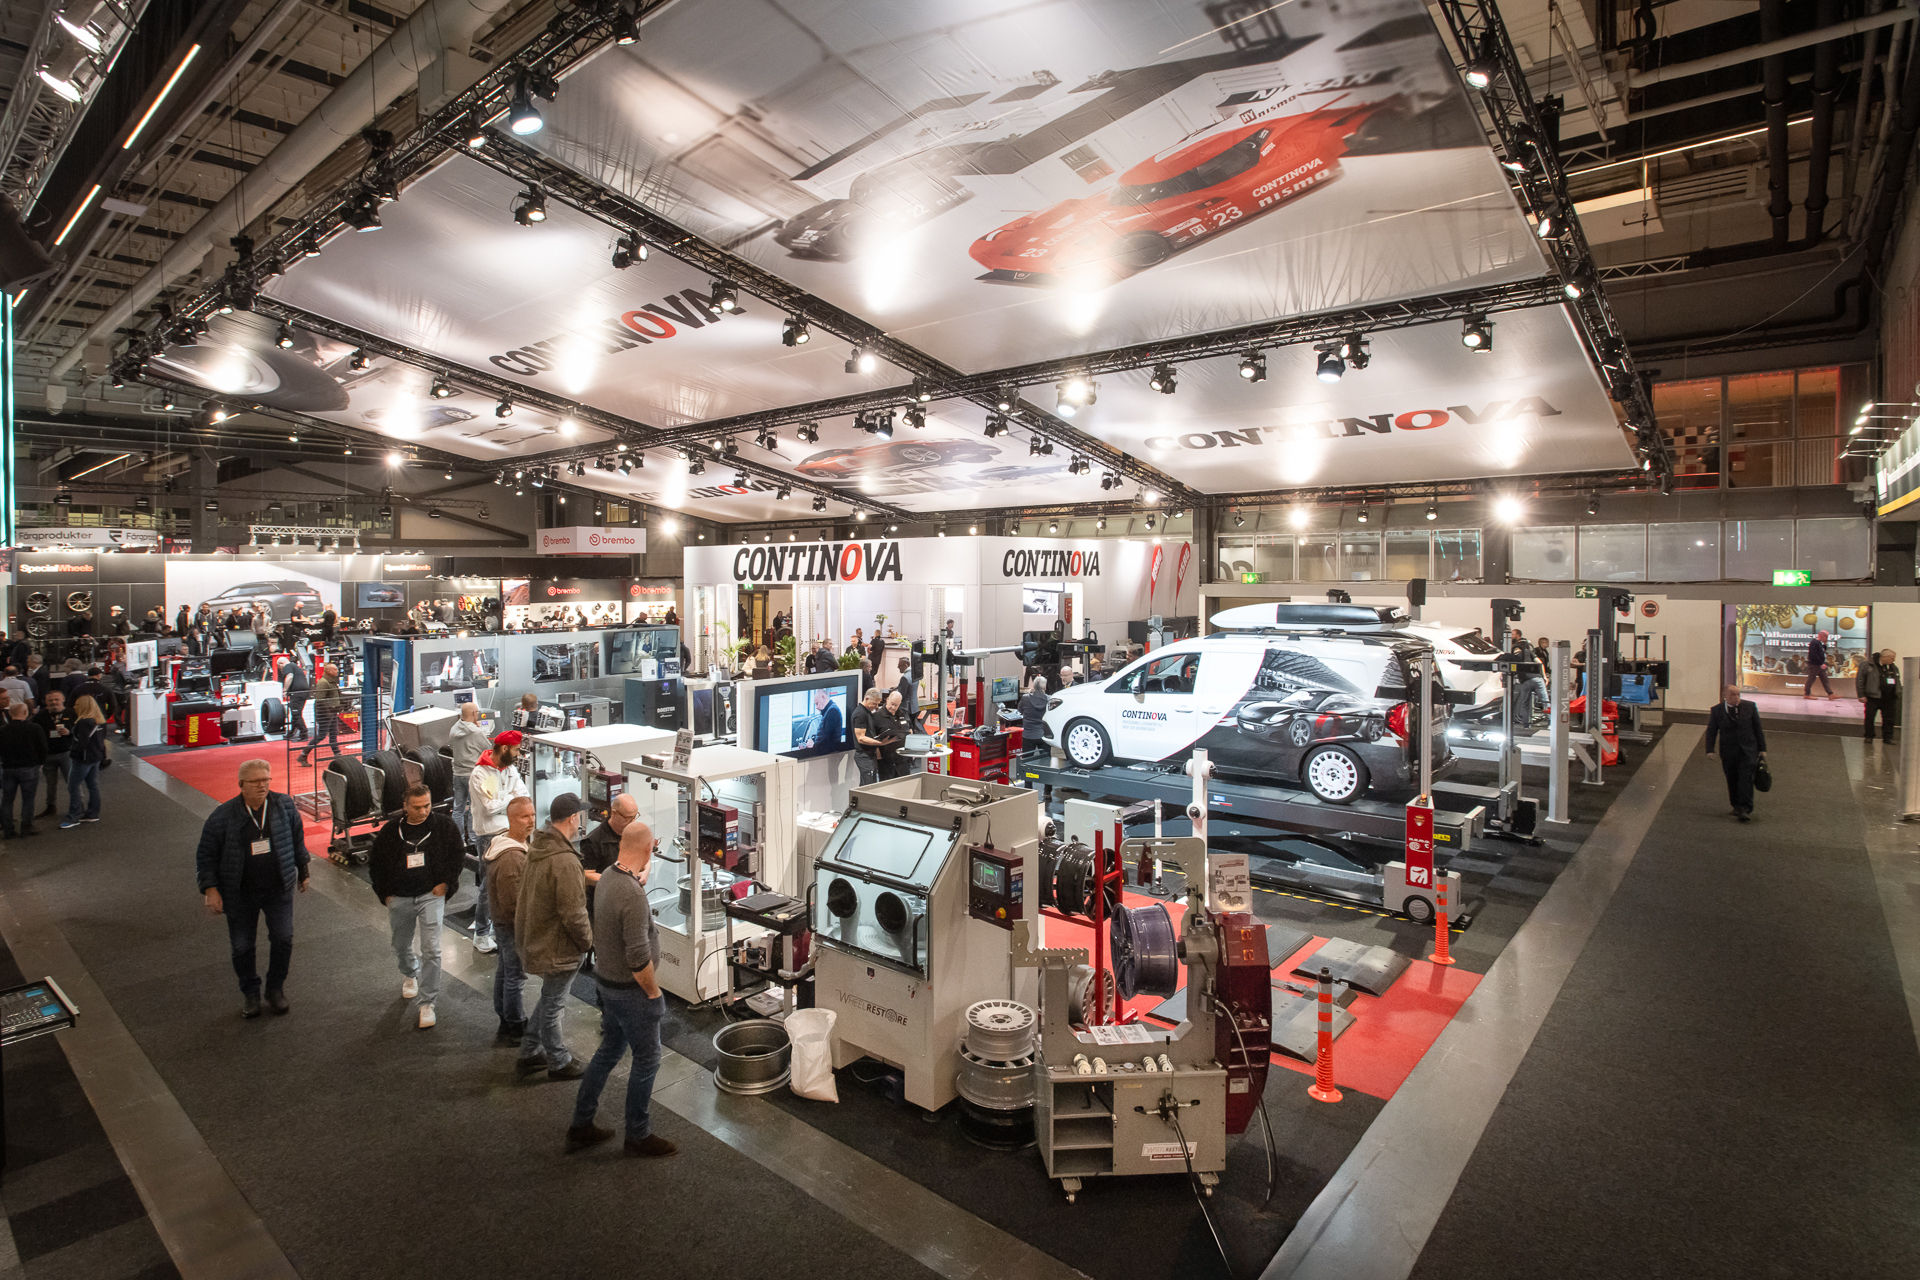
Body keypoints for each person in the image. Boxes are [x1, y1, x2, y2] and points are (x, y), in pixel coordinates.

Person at [566, 820, 678, 1159]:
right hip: (630, 993)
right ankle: (638, 1134)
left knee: (609, 1051)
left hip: (606, 984)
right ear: (648, 849)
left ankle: (581, 1123)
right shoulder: (631, 893)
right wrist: (654, 994)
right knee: (647, 1059)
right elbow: (638, 957)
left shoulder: (609, 880)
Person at [195, 759, 309, 1017]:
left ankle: (275, 989)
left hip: (278, 888)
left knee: (283, 939)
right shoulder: (222, 816)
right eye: (255, 781)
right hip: (239, 893)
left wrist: (303, 871)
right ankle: (251, 994)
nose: (262, 785)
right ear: (241, 785)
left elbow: (297, 839)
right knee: (242, 946)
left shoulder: (284, 805)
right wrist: (210, 889)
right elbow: (206, 855)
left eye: (266, 780)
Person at [368, 783, 465, 1029]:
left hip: (430, 895)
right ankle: (410, 972)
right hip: (399, 897)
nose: (423, 812)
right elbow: (376, 863)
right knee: (400, 944)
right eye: (417, 807)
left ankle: (427, 1002)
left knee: (432, 949)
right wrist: (385, 894)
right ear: (405, 806)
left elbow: (457, 856)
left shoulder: (444, 827)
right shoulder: (391, 831)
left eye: (427, 806)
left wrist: (447, 884)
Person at [515, 793, 594, 1081]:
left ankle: (528, 1053)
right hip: (559, 945)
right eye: (579, 815)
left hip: (539, 937)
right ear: (573, 818)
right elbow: (573, 911)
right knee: (553, 1005)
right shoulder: (564, 860)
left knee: (550, 998)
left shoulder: (540, 847)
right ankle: (559, 1061)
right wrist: (588, 942)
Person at [467, 730, 527, 954]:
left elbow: (524, 796)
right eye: (516, 750)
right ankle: (481, 933)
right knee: (488, 886)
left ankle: (497, 928)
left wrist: (506, 798)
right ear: (504, 749)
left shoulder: (510, 770)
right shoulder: (481, 774)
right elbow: (490, 808)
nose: (518, 754)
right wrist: (511, 797)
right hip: (489, 836)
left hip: (510, 832)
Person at [485, 795, 537, 1044]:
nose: (531, 821)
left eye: (533, 815)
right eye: (524, 816)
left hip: (504, 924)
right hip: (512, 926)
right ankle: (515, 1024)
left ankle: (505, 1017)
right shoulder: (512, 857)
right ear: (510, 819)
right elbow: (513, 902)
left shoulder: (504, 845)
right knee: (515, 975)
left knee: (505, 972)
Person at [1705, 684, 1767, 822]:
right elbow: (1712, 731)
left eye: (1737, 694)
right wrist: (1710, 749)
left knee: (1746, 778)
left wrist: (1762, 749)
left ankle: (1745, 807)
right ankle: (1736, 805)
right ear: (1724, 696)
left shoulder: (1750, 707)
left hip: (1748, 749)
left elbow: (1758, 728)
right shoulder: (1717, 710)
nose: (1736, 697)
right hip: (1728, 750)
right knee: (1732, 778)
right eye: (1732, 695)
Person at [579, 793, 639, 916]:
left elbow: (643, 857)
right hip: (602, 908)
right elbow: (586, 875)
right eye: (628, 818)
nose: (632, 822)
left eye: (635, 817)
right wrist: (616, 881)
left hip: (628, 903)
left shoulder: (632, 833)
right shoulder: (593, 841)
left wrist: (645, 871)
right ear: (614, 812)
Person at [0, 702, 47, 838]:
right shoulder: (34, 728)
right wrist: (40, 763)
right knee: (28, 799)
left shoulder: (2, 730)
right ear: (26, 713)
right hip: (29, 767)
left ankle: (8, 830)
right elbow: (43, 748)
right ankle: (26, 827)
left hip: (8, 767)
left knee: (7, 800)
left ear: (10, 714)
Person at [448, 703, 489, 847]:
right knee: (473, 809)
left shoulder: (453, 729)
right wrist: (478, 729)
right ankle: (472, 841)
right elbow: (487, 749)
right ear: (473, 714)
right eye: (477, 712)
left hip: (457, 774)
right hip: (472, 775)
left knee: (458, 808)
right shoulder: (476, 733)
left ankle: (459, 840)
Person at [61, 695, 107, 827]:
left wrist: (74, 752)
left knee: (73, 786)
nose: (74, 707)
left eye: (77, 704)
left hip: (83, 759)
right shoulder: (100, 722)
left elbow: (82, 743)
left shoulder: (83, 722)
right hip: (96, 757)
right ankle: (93, 813)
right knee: (93, 785)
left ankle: (73, 816)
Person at [34, 689, 73, 822]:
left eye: (56, 699)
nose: (53, 702)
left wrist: (70, 732)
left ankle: (78, 806)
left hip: (67, 753)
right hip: (48, 755)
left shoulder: (71, 713)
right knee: (50, 784)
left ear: (63, 699)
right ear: (46, 702)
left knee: (72, 782)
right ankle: (50, 807)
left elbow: (81, 731)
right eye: (50, 700)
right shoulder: (40, 717)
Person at [297, 664, 342, 765]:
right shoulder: (324, 683)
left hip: (331, 713)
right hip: (325, 714)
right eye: (335, 669)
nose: (337, 671)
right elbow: (320, 700)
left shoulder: (330, 682)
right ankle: (303, 754)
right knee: (321, 735)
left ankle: (338, 755)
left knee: (333, 735)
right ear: (328, 671)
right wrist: (328, 712)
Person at [1859, 649, 1901, 743]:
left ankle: (1888, 737)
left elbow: (1897, 680)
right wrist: (1861, 695)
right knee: (1870, 717)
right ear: (1884, 657)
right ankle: (1869, 736)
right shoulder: (1868, 666)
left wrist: (1898, 692)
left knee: (1889, 718)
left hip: (1889, 697)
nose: (1893, 660)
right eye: (1891, 658)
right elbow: (1860, 680)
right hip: (1873, 697)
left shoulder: (1893, 667)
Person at [850, 687, 886, 786]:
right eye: (874, 703)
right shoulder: (860, 714)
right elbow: (861, 738)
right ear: (867, 699)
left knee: (868, 784)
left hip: (870, 754)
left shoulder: (867, 712)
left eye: (878, 704)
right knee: (868, 786)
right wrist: (880, 743)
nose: (876, 706)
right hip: (864, 756)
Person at [877, 689, 910, 779]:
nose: (894, 707)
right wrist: (879, 758)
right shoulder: (877, 716)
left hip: (903, 759)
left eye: (896, 705)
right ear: (887, 699)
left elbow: (910, 730)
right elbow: (874, 739)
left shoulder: (904, 713)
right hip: (886, 761)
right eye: (892, 704)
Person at [802, 686, 844, 750]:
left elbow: (826, 740)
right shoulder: (828, 711)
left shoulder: (832, 711)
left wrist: (813, 745)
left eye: (817, 703)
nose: (816, 707)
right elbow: (823, 735)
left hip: (829, 756)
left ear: (823, 697)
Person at [1019, 679, 1050, 756]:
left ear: (1033, 686)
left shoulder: (1025, 698)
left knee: (1026, 761)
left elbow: (1019, 711)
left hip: (1028, 735)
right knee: (1046, 761)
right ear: (1045, 687)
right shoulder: (1049, 700)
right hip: (1044, 735)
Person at [1804, 629, 1835, 699]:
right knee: (1811, 679)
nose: (1826, 638)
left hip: (1819, 665)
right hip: (1815, 665)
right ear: (1821, 635)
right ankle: (1807, 694)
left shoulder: (1819, 643)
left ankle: (1830, 694)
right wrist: (1821, 663)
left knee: (1824, 679)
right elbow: (1814, 654)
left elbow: (1823, 651)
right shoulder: (1814, 642)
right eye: (1825, 636)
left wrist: (1824, 644)